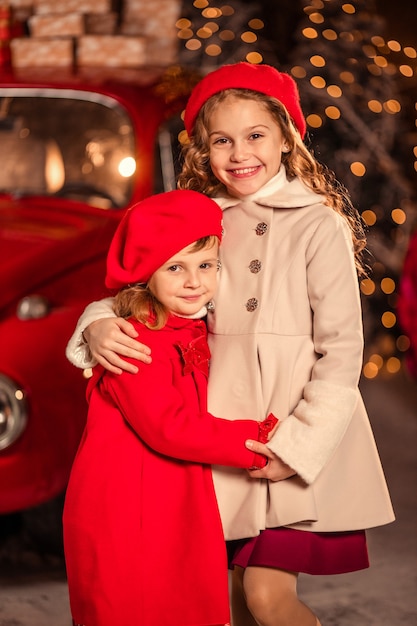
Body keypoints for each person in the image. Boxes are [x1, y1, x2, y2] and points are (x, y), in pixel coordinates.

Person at [66, 63, 395, 626]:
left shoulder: (318, 224)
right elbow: (143, 283)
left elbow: (341, 352)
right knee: (230, 601)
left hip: (285, 427)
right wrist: (96, 324)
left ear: (287, 138)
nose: (240, 153)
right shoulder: (198, 213)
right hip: (215, 427)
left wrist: (297, 445)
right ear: (203, 148)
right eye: (223, 139)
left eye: (256, 135)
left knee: (268, 597)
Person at [63, 189, 278, 626]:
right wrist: (254, 440)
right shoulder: (134, 339)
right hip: (125, 510)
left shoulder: (192, 324)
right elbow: (169, 426)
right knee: (137, 607)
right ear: (145, 273)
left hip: (169, 498)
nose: (194, 281)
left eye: (206, 266)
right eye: (175, 267)